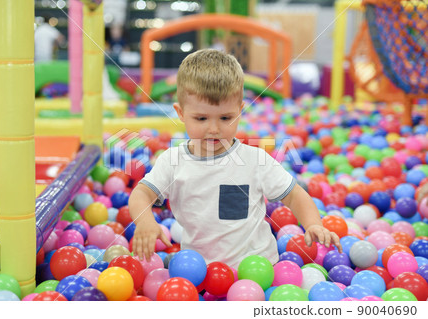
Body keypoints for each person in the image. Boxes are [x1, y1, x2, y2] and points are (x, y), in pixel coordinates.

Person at [128, 49, 342, 268]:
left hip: (258, 269)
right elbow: (141, 194)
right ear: (181, 113)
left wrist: (314, 225)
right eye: (201, 118)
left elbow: (295, 195)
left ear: (239, 111)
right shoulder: (173, 161)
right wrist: (145, 222)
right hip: (198, 270)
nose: (213, 128)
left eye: (225, 118)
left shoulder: (255, 160)